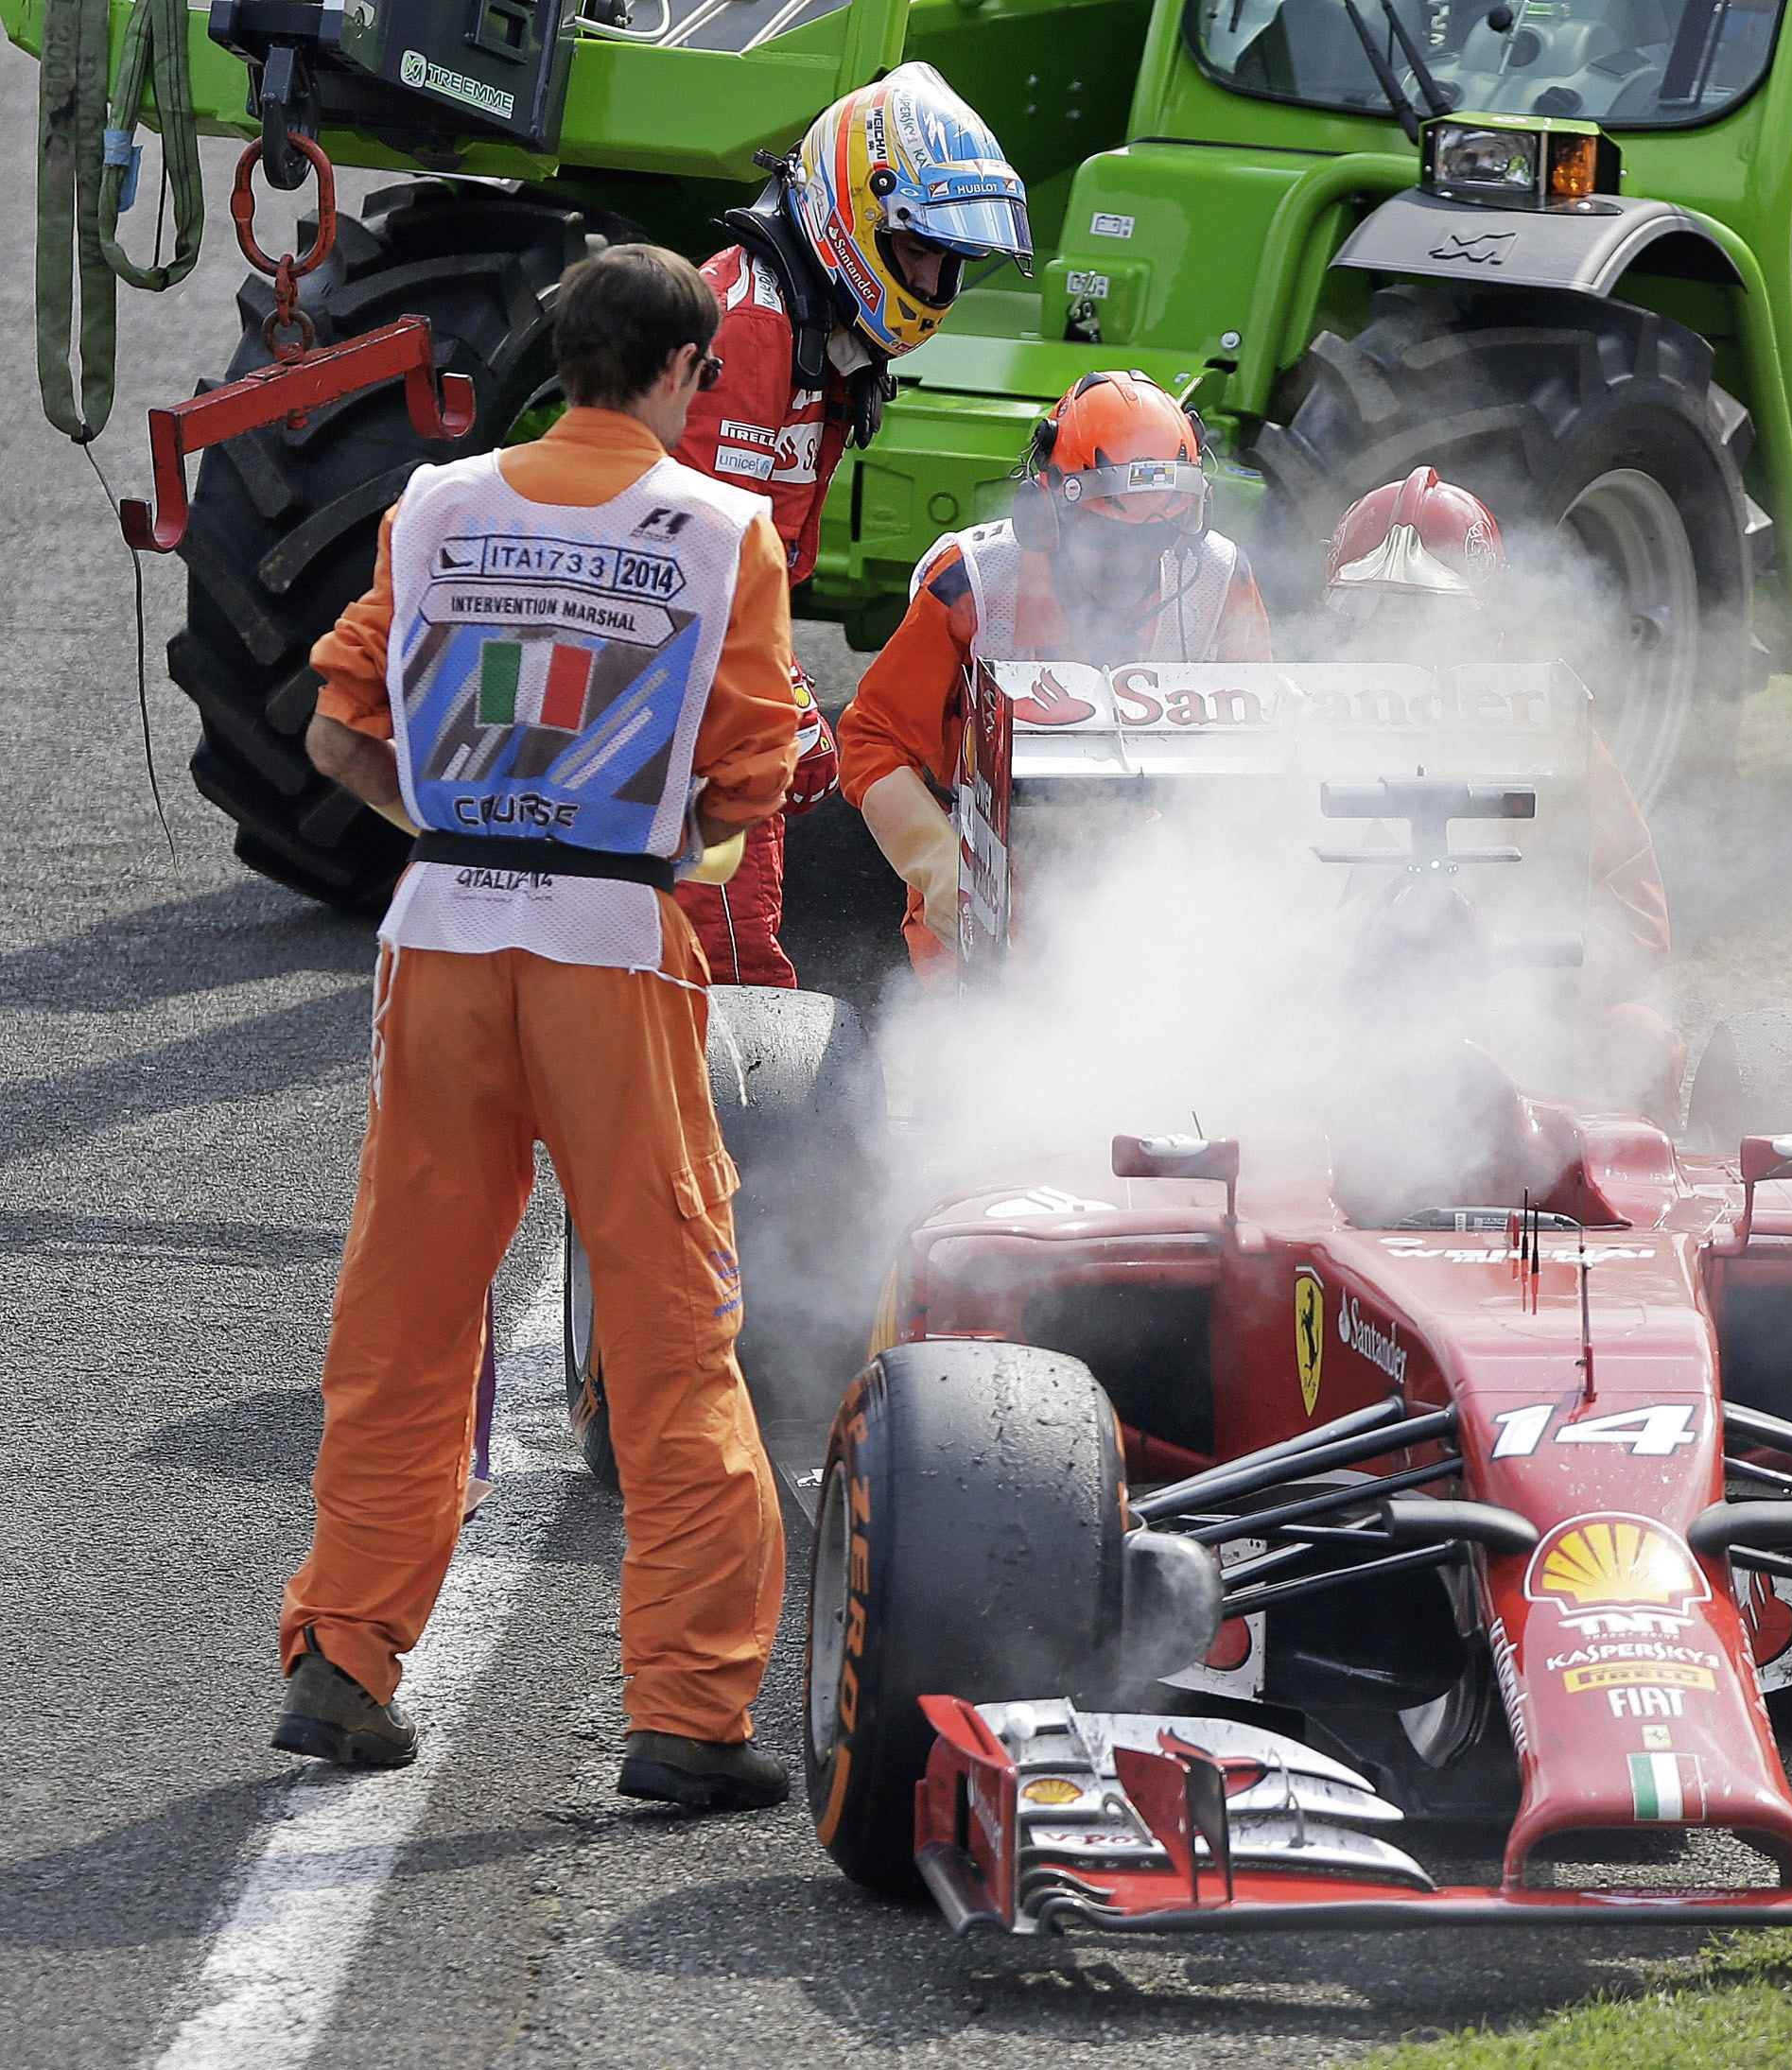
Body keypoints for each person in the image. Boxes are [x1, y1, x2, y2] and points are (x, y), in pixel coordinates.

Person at [281, 245, 798, 1808]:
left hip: (441, 934)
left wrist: (451, 823)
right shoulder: (726, 533)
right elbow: (748, 784)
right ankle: (691, 1715)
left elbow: (330, 730)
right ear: (684, 372)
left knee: (405, 1316)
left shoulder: (434, 505)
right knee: (671, 1328)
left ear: (557, 362)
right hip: (606, 950)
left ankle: (344, 1658)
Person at [674, 61, 1035, 985]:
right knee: (720, 972)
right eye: (919, 251)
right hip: (661, 706)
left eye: (948, 261)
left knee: (726, 960)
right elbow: (681, 568)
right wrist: (783, 695)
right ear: (856, 214)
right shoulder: (748, 332)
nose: (935, 279)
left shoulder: (814, 330)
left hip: (693, 704)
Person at [839, 371, 1273, 972]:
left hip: (1150, 872)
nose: (1130, 562)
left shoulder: (1218, 577)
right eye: (1110, 539)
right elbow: (872, 741)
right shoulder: (973, 580)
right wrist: (938, 865)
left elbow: (1259, 748)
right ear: (1044, 511)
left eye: (1157, 538)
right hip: (989, 867)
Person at [1320, 465, 1679, 1116]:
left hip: (1517, 1033)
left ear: (1484, 621)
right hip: (1339, 1034)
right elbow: (1256, 910)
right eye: (1373, 609)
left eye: (1423, 611)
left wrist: (1506, 971)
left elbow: (1638, 918)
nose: (1397, 636)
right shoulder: (1305, 725)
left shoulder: (1552, 728)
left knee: (1640, 1039)